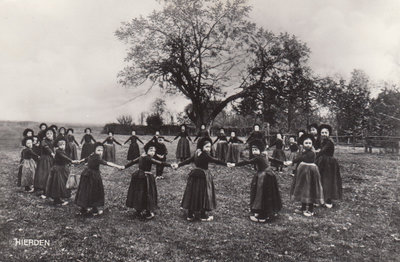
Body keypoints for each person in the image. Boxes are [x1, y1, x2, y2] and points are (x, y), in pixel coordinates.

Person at [176, 137, 228, 222]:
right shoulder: (205, 154)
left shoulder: (197, 152)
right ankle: (203, 215)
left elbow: (189, 160)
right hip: (203, 176)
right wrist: (226, 164)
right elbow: (215, 160)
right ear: (202, 147)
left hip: (194, 175)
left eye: (210, 147)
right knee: (204, 194)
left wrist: (179, 165)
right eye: (207, 147)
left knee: (193, 193)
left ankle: (190, 214)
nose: (209, 149)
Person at [232, 139, 282, 223]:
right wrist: (283, 162)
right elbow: (272, 159)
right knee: (266, 194)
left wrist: (235, 164)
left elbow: (247, 162)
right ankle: (265, 212)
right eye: (253, 150)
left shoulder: (258, 158)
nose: (254, 152)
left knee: (261, 194)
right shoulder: (263, 155)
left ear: (260, 150)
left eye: (256, 150)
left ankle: (262, 215)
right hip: (268, 176)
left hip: (264, 177)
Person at [123, 142, 173, 220]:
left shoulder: (141, 156)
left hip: (139, 176)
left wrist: (124, 166)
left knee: (139, 193)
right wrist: (170, 165)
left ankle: (139, 208)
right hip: (146, 177)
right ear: (147, 150)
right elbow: (159, 162)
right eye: (151, 150)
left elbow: (132, 162)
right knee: (148, 193)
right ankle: (148, 211)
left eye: (154, 151)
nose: (153, 152)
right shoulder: (148, 158)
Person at [75, 142, 124, 216]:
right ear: (94, 150)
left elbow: (86, 159)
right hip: (93, 176)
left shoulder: (92, 155)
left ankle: (84, 208)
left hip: (86, 174)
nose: (100, 152)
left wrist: (80, 161)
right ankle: (94, 209)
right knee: (95, 191)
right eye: (98, 150)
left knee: (86, 191)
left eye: (101, 150)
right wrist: (118, 166)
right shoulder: (97, 157)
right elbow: (107, 163)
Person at [285, 134, 324, 217]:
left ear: (312, 144)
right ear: (302, 143)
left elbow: (302, 158)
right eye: (306, 143)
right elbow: (301, 157)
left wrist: (292, 161)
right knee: (302, 187)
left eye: (310, 143)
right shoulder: (303, 151)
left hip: (310, 172)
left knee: (309, 189)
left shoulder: (311, 153)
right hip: (303, 171)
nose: (308, 145)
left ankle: (310, 209)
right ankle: (303, 208)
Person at [45, 138, 80, 205]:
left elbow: (65, 158)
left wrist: (70, 163)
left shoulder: (63, 151)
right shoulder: (58, 151)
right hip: (58, 169)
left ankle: (60, 197)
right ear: (58, 145)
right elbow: (64, 157)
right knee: (58, 183)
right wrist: (71, 161)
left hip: (63, 168)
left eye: (64, 144)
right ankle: (57, 199)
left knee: (63, 182)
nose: (62, 146)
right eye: (60, 145)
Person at [315, 124, 342, 209]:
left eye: (325, 132)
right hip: (322, 161)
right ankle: (320, 198)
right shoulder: (321, 141)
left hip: (329, 163)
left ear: (329, 133)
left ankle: (328, 200)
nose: (323, 134)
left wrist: (315, 155)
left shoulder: (329, 142)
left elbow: (322, 151)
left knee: (328, 181)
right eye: (322, 132)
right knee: (321, 179)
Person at [34, 128, 55, 199]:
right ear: (45, 135)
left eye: (51, 133)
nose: (49, 135)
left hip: (51, 159)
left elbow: (55, 148)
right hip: (44, 159)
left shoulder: (53, 141)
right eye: (48, 133)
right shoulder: (43, 141)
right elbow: (46, 148)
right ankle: (43, 189)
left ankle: (49, 189)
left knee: (50, 174)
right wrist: (52, 153)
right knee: (44, 174)